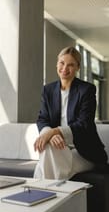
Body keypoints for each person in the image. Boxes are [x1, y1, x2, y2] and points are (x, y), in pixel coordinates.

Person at [34, 46, 107, 179]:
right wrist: (49, 135)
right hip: (59, 148)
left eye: (71, 65)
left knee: (49, 166)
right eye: (62, 63)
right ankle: (57, 196)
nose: (65, 68)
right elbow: (42, 119)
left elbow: (83, 124)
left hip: (84, 152)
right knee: (50, 150)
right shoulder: (48, 90)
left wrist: (54, 132)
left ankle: (43, 194)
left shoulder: (86, 90)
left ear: (78, 67)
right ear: (57, 63)